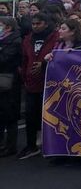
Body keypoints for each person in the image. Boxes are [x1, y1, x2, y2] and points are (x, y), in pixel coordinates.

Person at [18, 12, 58, 159]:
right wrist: (24, 75)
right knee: (30, 115)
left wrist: (44, 64)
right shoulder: (28, 39)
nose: (35, 26)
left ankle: (50, 145)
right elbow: (25, 58)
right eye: (33, 24)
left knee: (49, 116)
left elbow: (59, 55)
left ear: (46, 24)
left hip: (49, 83)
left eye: (38, 24)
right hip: (31, 83)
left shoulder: (55, 37)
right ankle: (31, 145)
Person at [0, 16, 22, 157]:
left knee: (9, 114)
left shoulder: (15, 41)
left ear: (8, 27)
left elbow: (4, 59)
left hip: (9, 81)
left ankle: (11, 145)